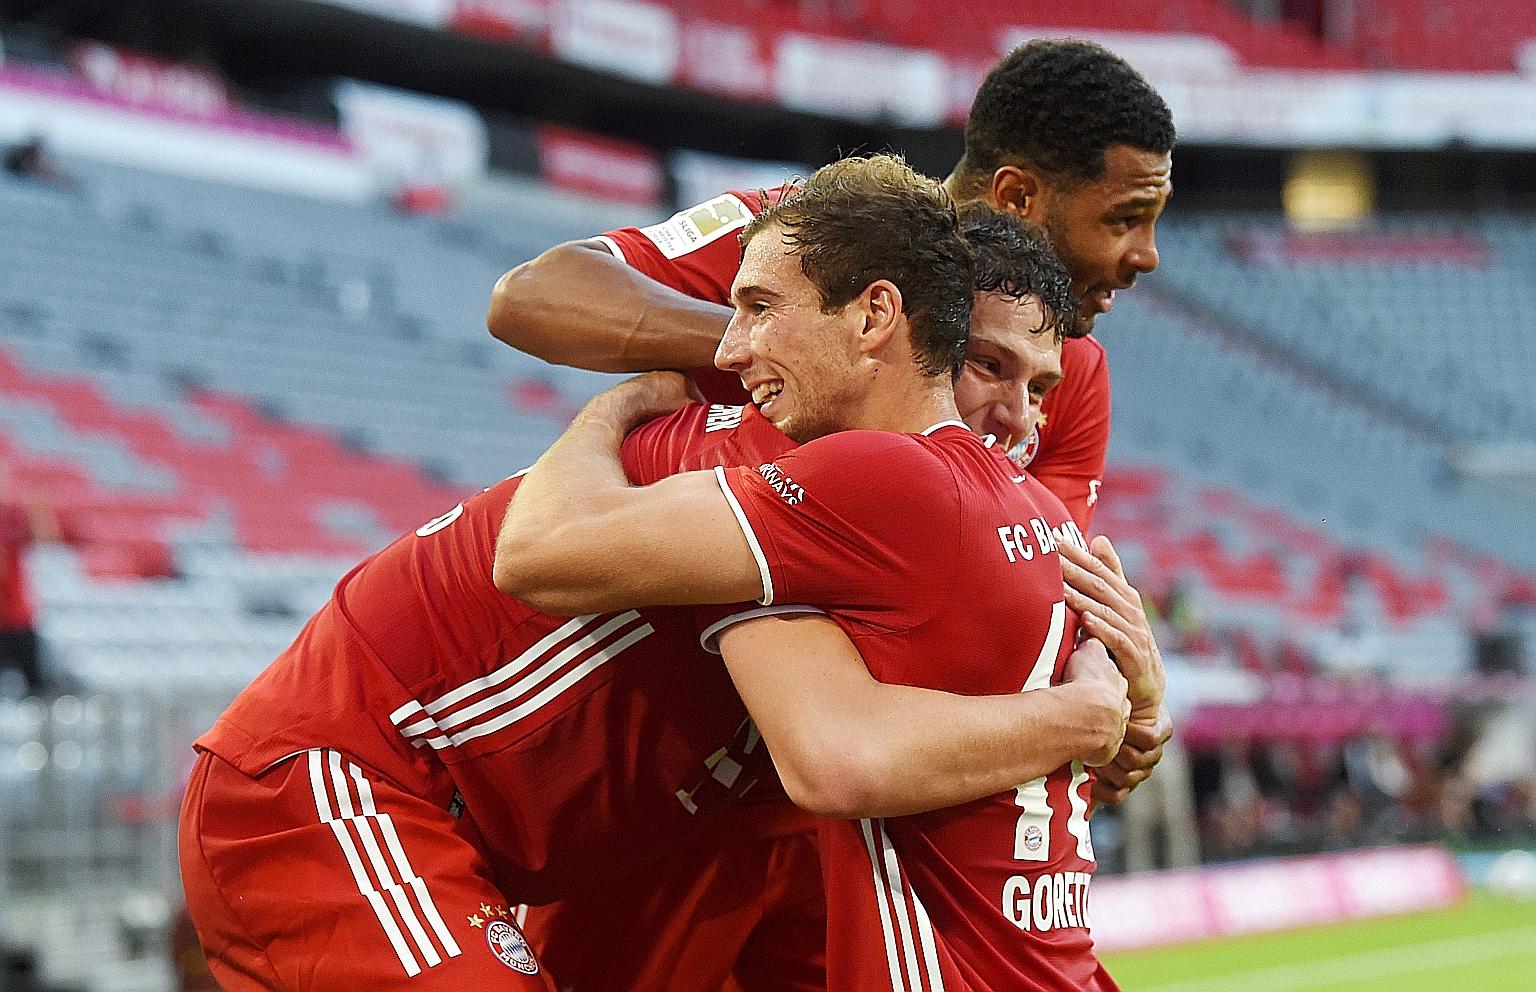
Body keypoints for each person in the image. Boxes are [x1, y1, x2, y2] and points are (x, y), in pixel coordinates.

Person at [177, 167, 1133, 991]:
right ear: (905, 325)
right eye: (987, 367)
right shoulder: (800, 467)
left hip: (567, 829)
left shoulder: (931, 487)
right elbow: (839, 751)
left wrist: (1129, 697)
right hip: (343, 780)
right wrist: (1085, 718)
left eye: (1040, 384)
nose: (728, 346)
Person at [490, 38, 1174, 989]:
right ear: (1015, 196)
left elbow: (1028, 611)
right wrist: (789, 343)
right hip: (683, 785)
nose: (1145, 256)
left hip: (863, 810)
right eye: (1128, 218)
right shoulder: (813, 243)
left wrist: (1128, 696)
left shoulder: (1072, 374)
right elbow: (534, 298)